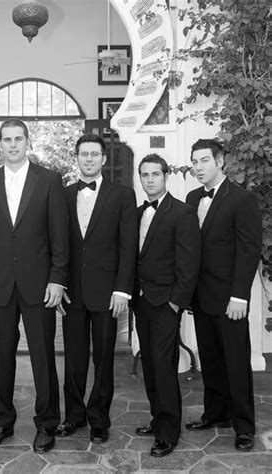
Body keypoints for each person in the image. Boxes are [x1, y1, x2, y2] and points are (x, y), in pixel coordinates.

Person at [0, 118, 69, 453]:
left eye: (18, 139)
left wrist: (58, 279)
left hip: (39, 284)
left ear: (28, 141)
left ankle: (46, 424)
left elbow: (60, 236)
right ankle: (3, 421)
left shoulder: (49, 181)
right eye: (6, 139)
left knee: (43, 355)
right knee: (1, 355)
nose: (12, 144)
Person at [55, 133, 137, 444]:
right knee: (73, 358)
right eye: (83, 154)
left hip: (107, 293)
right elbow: (56, 245)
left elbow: (128, 248)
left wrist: (122, 290)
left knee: (104, 359)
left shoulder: (122, 196)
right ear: (76, 158)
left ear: (103, 159)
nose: (88, 159)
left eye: (94, 154)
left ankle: (99, 419)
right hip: (72, 292)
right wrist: (58, 283)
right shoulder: (62, 195)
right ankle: (73, 416)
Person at [184, 139, 262, 452]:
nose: (198, 167)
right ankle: (215, 413)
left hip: (230, 299)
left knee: (237, 362)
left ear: (221, 161)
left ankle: (244, 426)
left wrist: (239, 297)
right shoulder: (191, 198)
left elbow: (248, 251)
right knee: (211, 359)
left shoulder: (242, 199)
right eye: (194, 161)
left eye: (204, 160)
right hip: (201, 297)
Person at [133, 154, 201, 457]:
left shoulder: (183, 213)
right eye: (144, 175)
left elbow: (189, 264)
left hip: (166, 304)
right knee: (149, 363)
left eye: (155, 174)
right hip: (141, 301)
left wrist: (176, 303)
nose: (150, 180)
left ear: (165, 177)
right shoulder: (135, 213)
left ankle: (168, 431)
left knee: (163, 366)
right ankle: (156, 416)